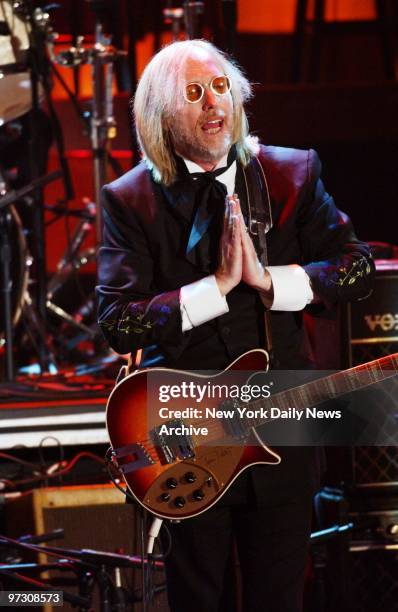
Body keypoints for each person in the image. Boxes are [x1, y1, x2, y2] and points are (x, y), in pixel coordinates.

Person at [96, 39, 374, 612]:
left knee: (280, 595)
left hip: (284, 427)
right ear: (162, 114)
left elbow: (357, 269)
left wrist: (271, 283)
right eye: (193, 93)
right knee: (201, 596)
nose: (212, 103)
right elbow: (118, 322)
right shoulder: (130, 199)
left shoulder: (292, 172)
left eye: (220, 87)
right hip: (185, 434)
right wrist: (215, 289)